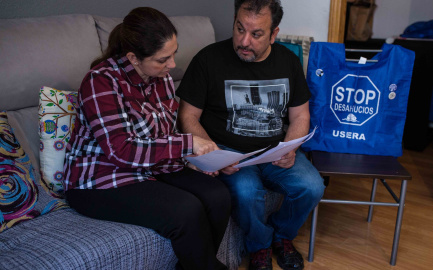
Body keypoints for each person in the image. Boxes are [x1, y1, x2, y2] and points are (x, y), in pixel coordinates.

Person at [63, 7, 231, 270]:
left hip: (151, 167)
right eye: (163, 59)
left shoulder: (160, 77)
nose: (172, 65)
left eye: (173, 54)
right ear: (133, 57)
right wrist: (188, 144)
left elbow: (164, 136)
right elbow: (121, 150)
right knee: (185, 210)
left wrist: (192, 160)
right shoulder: (101, 82)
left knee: (218, 195)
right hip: (100, 179)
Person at [176, 1, 325, 270]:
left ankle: (281, 237)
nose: (244, 41)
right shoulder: (208, 59)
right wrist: (215, 154)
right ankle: (259, 245)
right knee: (246, 192)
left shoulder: (287, 61)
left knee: (312, 186)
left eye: (256, 34)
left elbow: (301, 116)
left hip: (274, 150)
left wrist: (289, 148)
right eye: (239, 29)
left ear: (273, 34)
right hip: (228, 151)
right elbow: (187, 116)